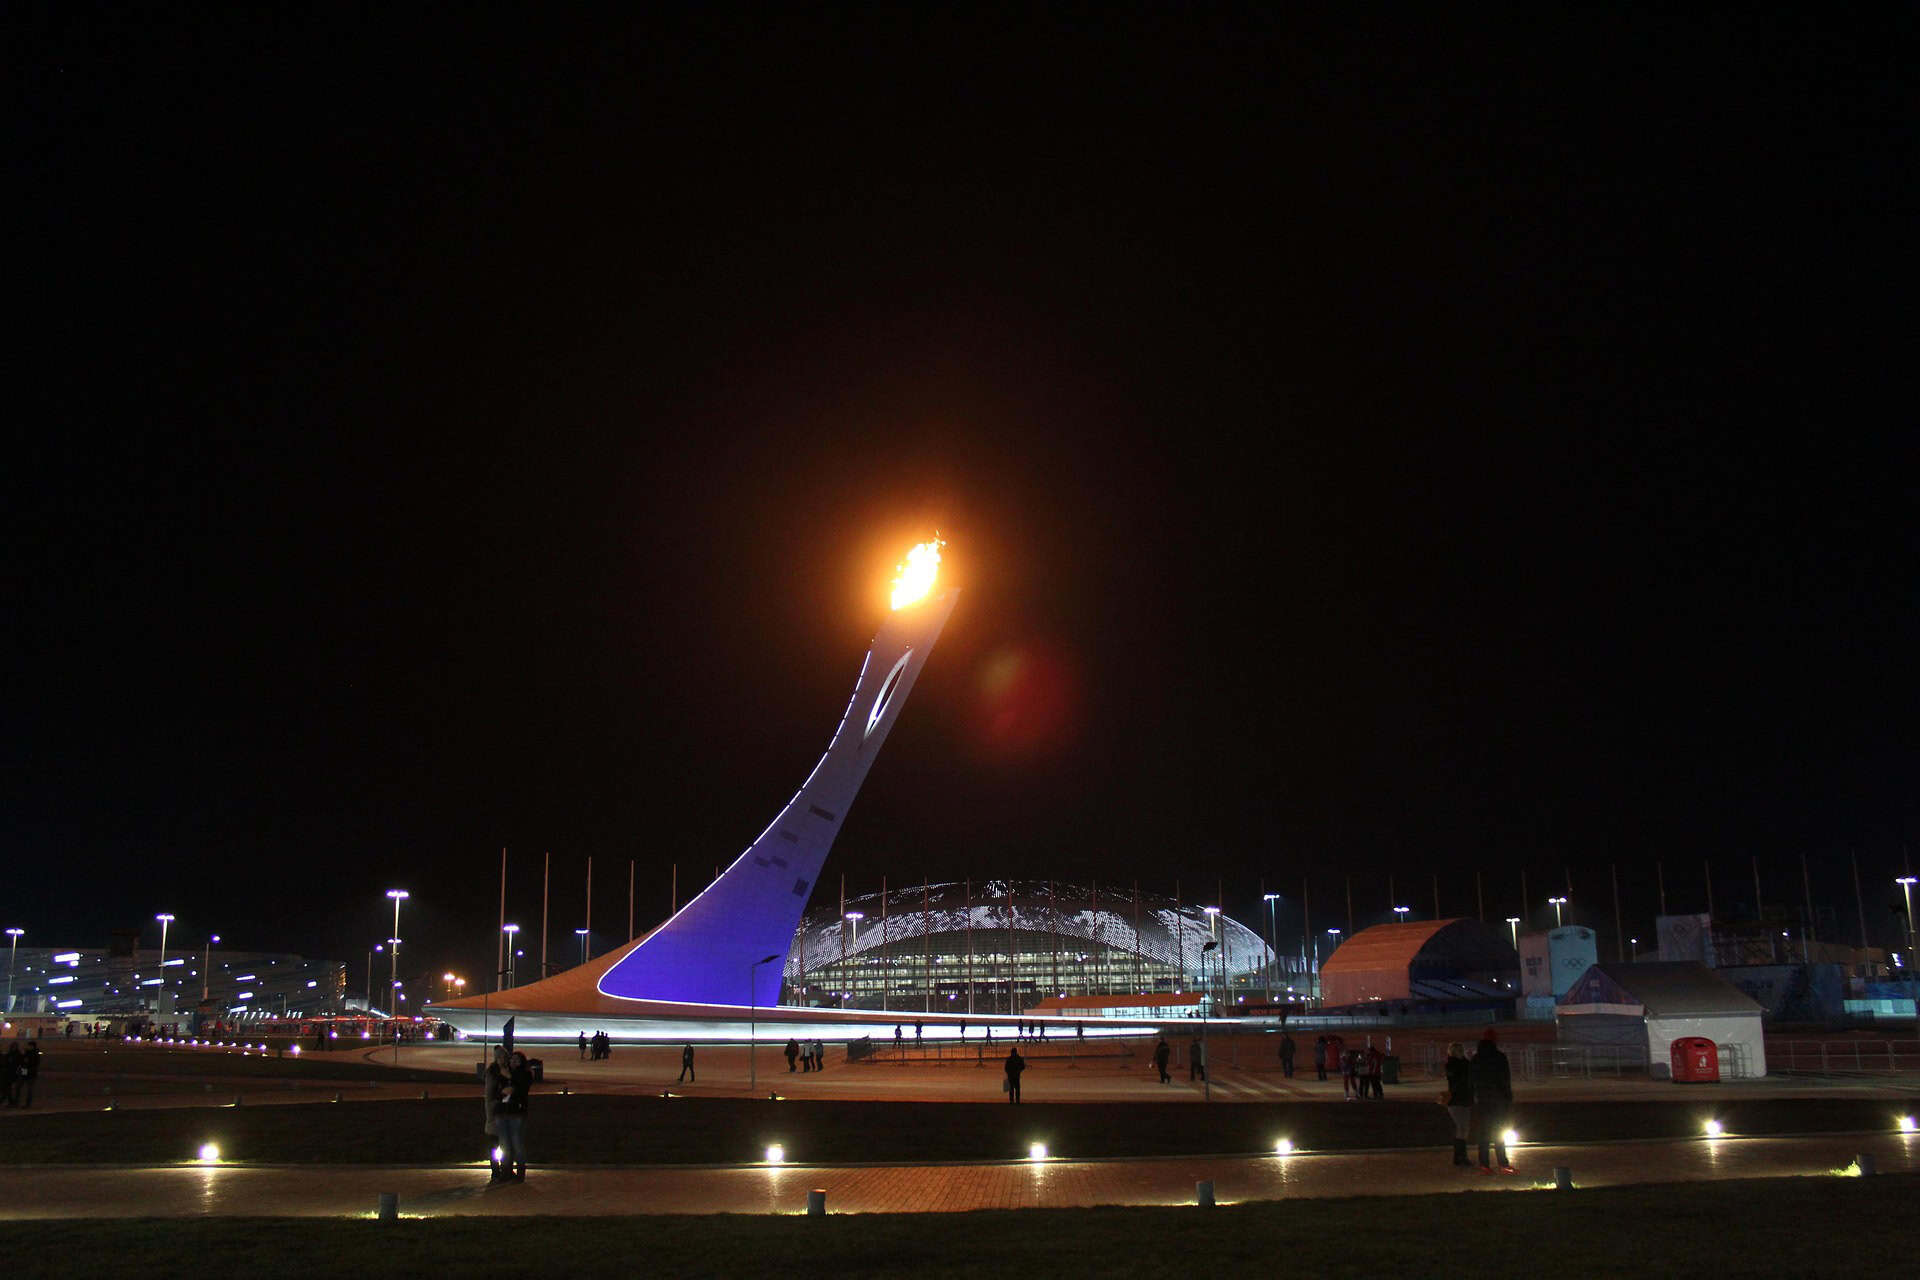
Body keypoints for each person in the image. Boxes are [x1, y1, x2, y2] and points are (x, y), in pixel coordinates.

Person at [1470, 1033, 1514, 1173]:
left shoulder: (1476, 1058)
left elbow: (1472, 1079)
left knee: (1484, 1133)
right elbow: (1505, 1079)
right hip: (1498, 1100)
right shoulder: (1500, 1057)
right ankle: (1503, 1163)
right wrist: (1507, 1096)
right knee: (1499, 1131)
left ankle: (1484, 1164)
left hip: (1483, 1099)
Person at [495, 1050, 533, 1182]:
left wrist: (510, 1081)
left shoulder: (525, 1074)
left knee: (517, 1143)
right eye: (512, 1059)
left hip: (516, 1113)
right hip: (502, 1112)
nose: (513, 1062)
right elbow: (496, 1092)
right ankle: (506, 1171)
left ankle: (520, 1172)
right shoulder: (503, 1073)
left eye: (517, 1060)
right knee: (504, 1144)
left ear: (522, 1062)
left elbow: (521, 1090)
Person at [1443, 1041, 1475, 1168]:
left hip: (1462, 1099)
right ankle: (1460, 1156)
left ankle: (1460, 1156)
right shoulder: (1453, 1065)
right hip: (1457, 1100)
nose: (1462, 1052)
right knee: (1462, 1127)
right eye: (1459, 1050)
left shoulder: (1462, 1064)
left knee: (1463, 1128)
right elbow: (1459, 1080)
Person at [483, 1045, 509, 1181]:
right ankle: (495, 1171)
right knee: (494, 1144)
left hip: (505, 1110)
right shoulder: (493, 1072)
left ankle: (504, 1170)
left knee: (505, 1144)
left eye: (505, 1057)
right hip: (495, 1110)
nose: (503, 1059)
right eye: (501, 1057)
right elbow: (490, 1094)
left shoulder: (507, 1070)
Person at [18, 1040, 39, 1108]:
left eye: (29, 1046)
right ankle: (18, 1102)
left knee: (29, 1089)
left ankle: (27, 1104)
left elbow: (32, 1063)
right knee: (20, 1086)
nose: (28, 1047)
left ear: (32, 1046)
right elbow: (23, 1062)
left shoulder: (34, 1053)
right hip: (26, 1071)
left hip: (30, 1073)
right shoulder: (28, 1052)